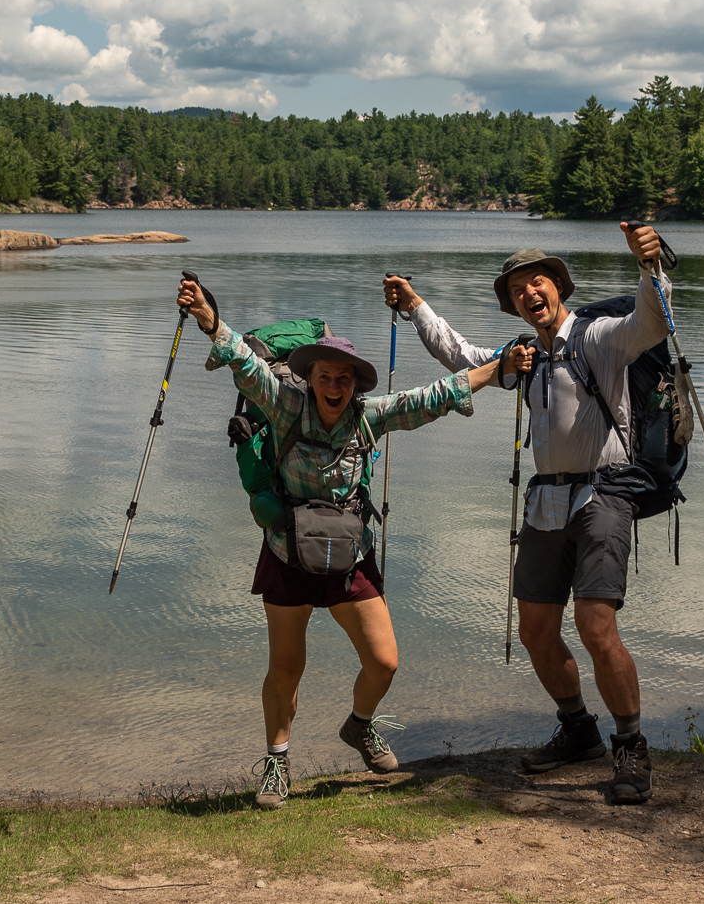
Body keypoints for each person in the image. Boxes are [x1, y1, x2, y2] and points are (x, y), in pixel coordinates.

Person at [177, 277, 529, 810]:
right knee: (286, 667)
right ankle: (276, 763)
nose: (335, 385)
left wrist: (497, 369)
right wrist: (207, 316)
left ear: (354, 385)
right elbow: (244, 365)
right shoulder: (284, 406)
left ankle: (359, 727)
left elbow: (435, 397)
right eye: (325, 376)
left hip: (350, 556)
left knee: (384, 662)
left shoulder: (370, 417)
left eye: (343, 378)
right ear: (310, 378)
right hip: (287, 550)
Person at [384, 222, 669, 804]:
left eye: (537, 281)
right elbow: (459, 355)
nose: (528, 293)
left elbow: (653, 323)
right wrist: (416, 307)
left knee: (595, 624)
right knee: (536, 628)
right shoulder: (522, 356)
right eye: (517, 289)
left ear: (557, 286)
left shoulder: (600, 337)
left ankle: (631, 746)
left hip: (606, 493)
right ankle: (579, 731)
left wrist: (650, 265)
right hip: (545, 501)